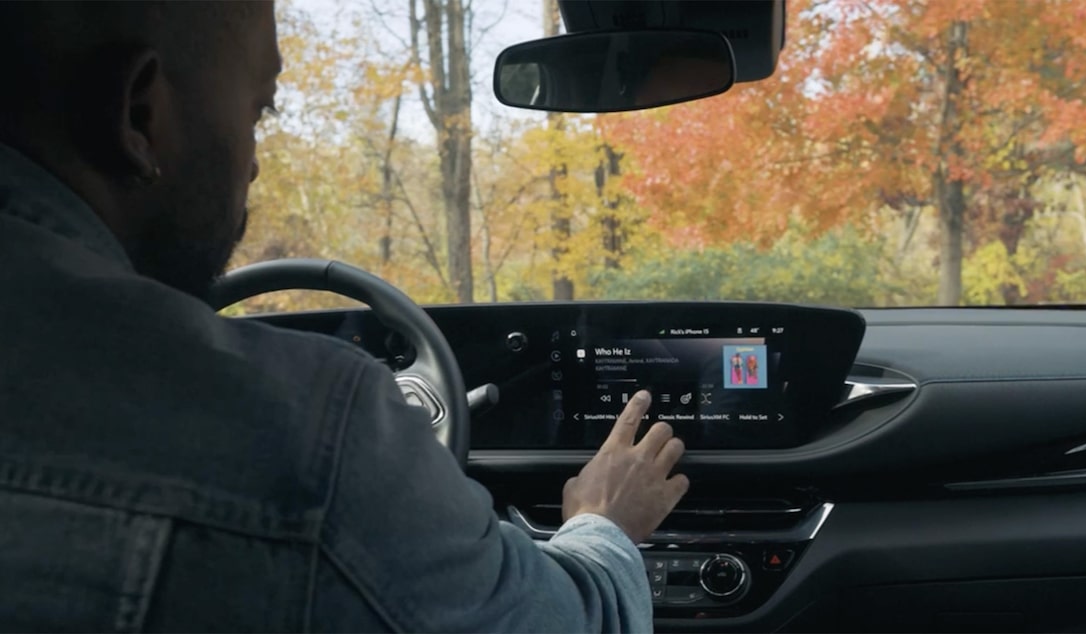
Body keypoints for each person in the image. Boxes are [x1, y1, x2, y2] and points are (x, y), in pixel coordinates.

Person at [0, 2, 688, 631]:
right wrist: (604, 524)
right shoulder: (312, 435)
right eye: (258, 112)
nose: (257, 166)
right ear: (139, 115)